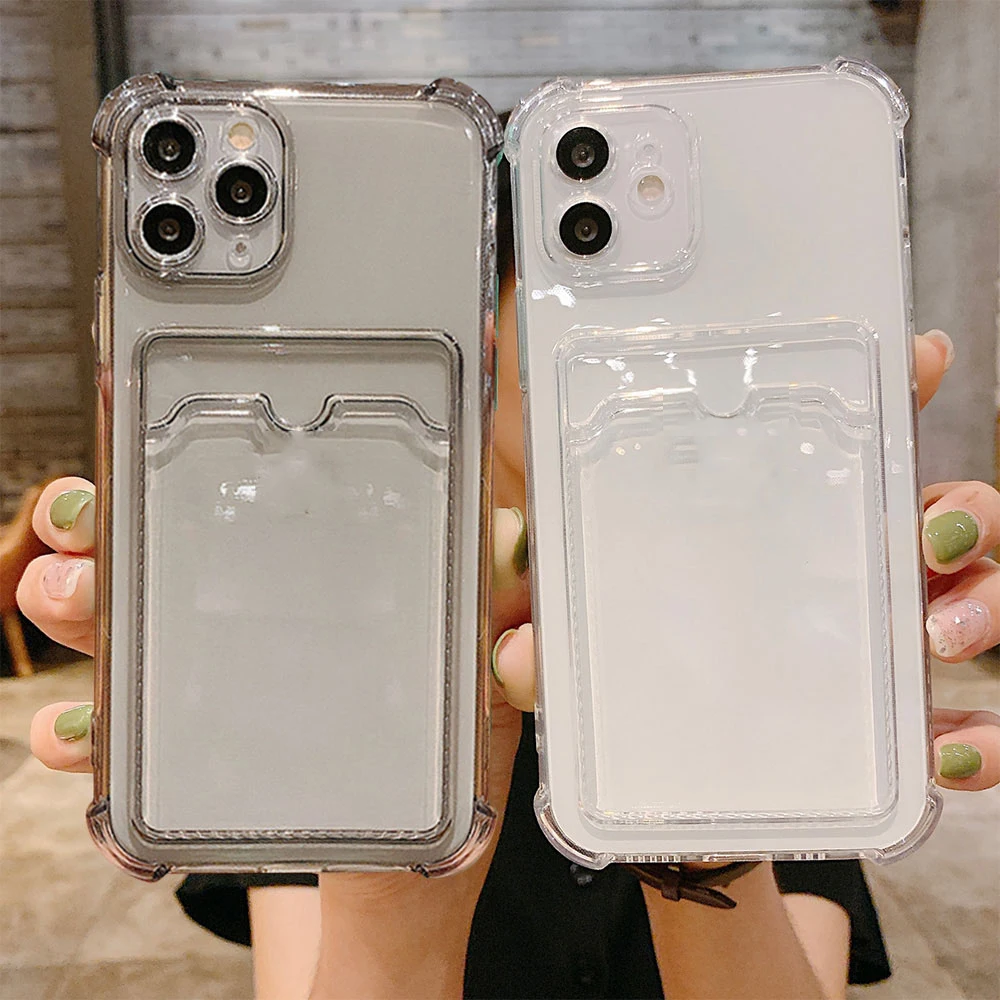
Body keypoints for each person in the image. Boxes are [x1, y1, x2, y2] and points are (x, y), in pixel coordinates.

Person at [20, 155, 999, 1000]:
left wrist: (702, 808)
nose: (640, 359)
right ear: (478, 338)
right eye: (589, 301)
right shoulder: (337, 632)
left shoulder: (754, 627)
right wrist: (394, 863)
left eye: (684, 322)